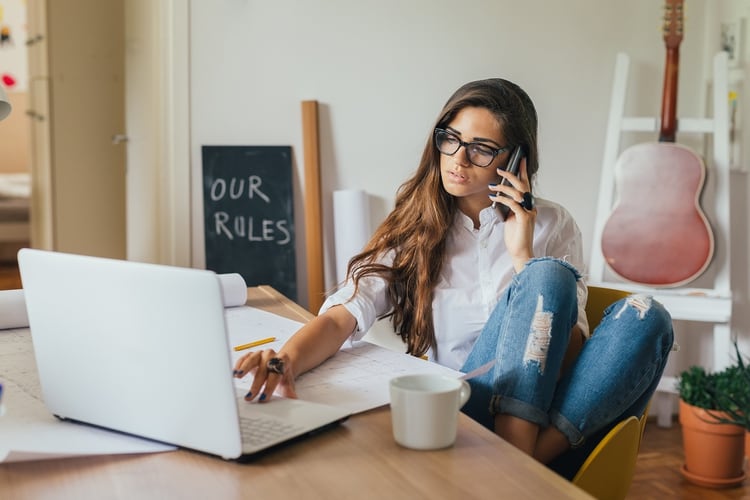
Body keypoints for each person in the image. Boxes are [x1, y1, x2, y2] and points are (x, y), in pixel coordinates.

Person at [233, 78, 674, 477]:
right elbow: (339, 319)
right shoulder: (414, 230)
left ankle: (520, 464)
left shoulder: (553, 224)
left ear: (517, 159)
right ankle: (520, 470)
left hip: (555, 414)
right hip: (471, 411)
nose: (458, 160)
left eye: (481, 148)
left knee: (646, 315)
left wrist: (523, 257)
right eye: (451, 140)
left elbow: (567, 358)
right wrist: (283, 360)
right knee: (548, 276)